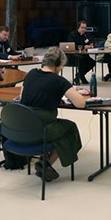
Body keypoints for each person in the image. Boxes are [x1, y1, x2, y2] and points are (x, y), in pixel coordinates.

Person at [18, 47, 88, 182]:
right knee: (69, 129)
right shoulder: (58, 81)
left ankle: (44, 163)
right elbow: (80, 104)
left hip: (23, 127)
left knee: (60, 130)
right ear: (57, 64)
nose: (61, 69)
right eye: (61, 66)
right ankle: (46, 163)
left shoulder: (31, 74)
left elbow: (22, 96)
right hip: (42, 128)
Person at [67, 20, 96, 84]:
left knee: (92, 63)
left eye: (85, 28)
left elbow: (91, 42)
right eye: (82, 28)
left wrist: (91, 45)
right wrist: (83, 47)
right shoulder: (72, 34)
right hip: (74, 56)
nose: (83, 29)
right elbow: (72, 46)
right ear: (78, 27)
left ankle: (79, 75)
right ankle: (81, 77)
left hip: (84, 55)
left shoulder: (86, 35)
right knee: (82, 62)